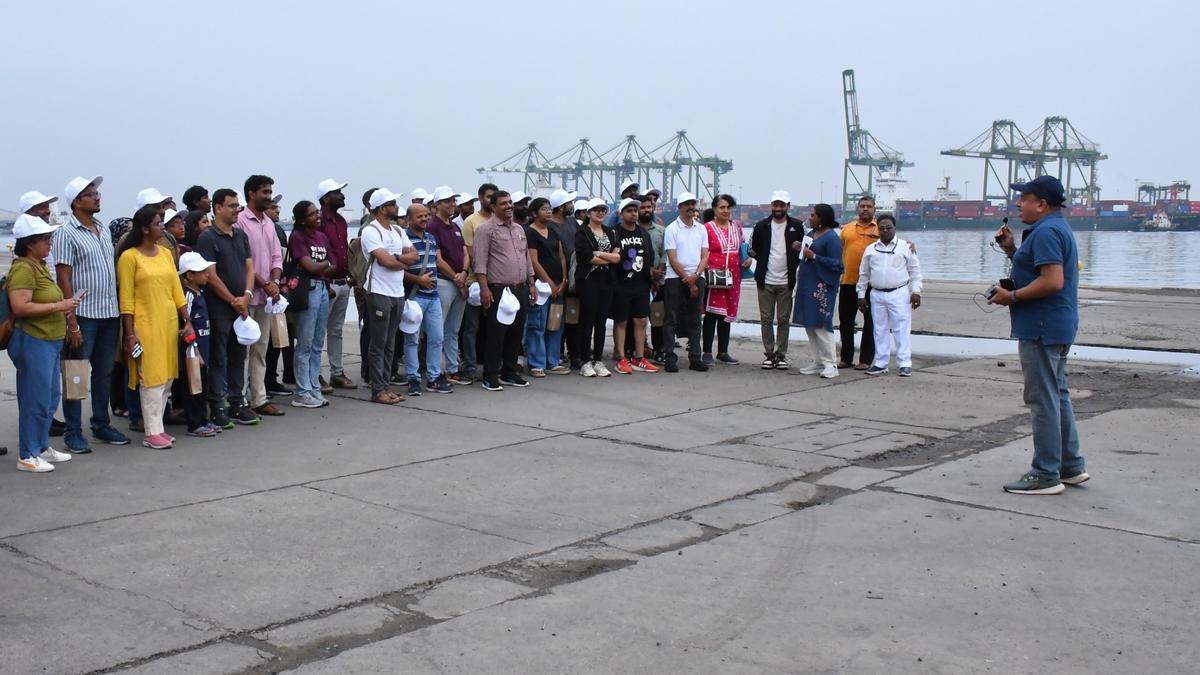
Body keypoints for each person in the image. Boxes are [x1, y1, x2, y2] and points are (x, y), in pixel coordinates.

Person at [989, 175, 1086, 496]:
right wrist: (1012, 250)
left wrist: (1011, 297)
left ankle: (1045, 473)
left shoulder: (1046, 232)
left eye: (1024, 198)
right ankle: (1070, 465)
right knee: (1057, 395)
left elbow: (1052, 281)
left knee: (1041, 399)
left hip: (1042, 326)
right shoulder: (1055, 228)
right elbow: (1039, 271)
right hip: (1057, 323)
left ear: (1042, 204)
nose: (1018, 203)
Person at [53, 175, 131, 452]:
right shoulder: (65, 233)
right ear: (76, 201)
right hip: (83, 315)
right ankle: (73, 432)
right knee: (76, 373)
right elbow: (64, 278)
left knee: (104, 373)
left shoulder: (103, 229)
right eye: (90, 194)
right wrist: (70, 321)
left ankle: (101, 423)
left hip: (108, 312)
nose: (97, 197)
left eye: (97, 193)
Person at [116, 205, 195, 449]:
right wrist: (129, 333)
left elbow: (176, 290)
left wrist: (186, 319)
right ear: (144, 229)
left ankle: (158, 427)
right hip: (144, 325)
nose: (162, 226)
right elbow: (126, 299)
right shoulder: (129, 257)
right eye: (158, 223)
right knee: (151, 377)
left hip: (168, 322)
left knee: (168, 376)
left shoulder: (164, 254)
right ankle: (151, 431)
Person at [7, 211, 80, 472]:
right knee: (34, 399)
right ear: (30, 243)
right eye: (45, 239)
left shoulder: (38, 266)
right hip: (33, 340)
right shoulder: (24, 269)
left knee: (50, 397)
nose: (50, 243)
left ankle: (40, 446)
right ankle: (27, 454)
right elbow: (21, 306)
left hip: (49, 340)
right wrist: (59, 305)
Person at [193, 188, 256, 428]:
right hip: (220, 307)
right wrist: (233, 300)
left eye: (237, 206)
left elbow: (250, 267)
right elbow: (211, 275)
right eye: (231, 206)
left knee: (239, 354)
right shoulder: (207, 238)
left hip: (241, 305)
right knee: (219, 356)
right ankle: (217, 404)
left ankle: (237, 402)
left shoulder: (240, 235)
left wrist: (247, 296)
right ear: (217, 207)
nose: (236, 210)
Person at [474, 191, 537, 391]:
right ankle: (490, 374)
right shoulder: (486, 230)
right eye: (503, 203)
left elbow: (526, 258)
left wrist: (532, 284)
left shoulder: (519, 229)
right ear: (493, 207)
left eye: (510, 202)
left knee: (516, 332)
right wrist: (484, 288)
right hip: (498, 289)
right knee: (496, 333)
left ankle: (509, 372)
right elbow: (480, 262)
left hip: (520, 288)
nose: (509, 206)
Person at [361, 189, 418, 404]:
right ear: (382, 208)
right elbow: (387, 262)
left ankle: (385, 386)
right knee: (378, 343)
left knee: (390, 342)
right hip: (379, 292)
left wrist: (397, 258)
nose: (396, 207)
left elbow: (415, 255)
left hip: (397, 293)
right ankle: (378, 390)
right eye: (392, 203)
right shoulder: (371, 231)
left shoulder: (396, 230)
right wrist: (401, 259)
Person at [236, 175, 285, 418]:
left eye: (269, 192)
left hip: (266, 298)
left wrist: (274, 283)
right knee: (242, 350)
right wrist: (264, 283)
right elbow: (243, 262)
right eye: (264, 192)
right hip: (246, 296)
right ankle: (239, 400)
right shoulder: (240, 221)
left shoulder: (269, 223)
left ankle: (259, 398)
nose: (268, 196)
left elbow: (277, 257)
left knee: (261, 349)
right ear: (251, 193)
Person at [857, 214, 922, 377]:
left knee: (901, 329)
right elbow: (864, 274)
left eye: (889, 227)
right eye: (882, 228)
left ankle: (904, 364)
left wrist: (916, 291)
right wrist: (861, 294)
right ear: (878, 228)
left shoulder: (906, 247)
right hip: (876, 294)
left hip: (899, 293)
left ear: (895, 228)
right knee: (879, 330)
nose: (885, 230)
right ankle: (880, 363)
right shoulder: (871, 249)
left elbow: (915, 271)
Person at [284, 200, 335, 408]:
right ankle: (302, 391)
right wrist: (322, 266)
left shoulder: (322, 236)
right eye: (313, 214)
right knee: (304, 342)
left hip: (322, 289)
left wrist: (319, 267)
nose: (318, 216)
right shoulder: (297, 237)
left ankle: (314, 387)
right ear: (303, 220)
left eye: (317, 213)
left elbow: (334, 264)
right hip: (308, 290)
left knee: (317, 342)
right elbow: (308, 266)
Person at [750, 190, 804, 370]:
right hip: (765, 280)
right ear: (771, 205)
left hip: (786, 281)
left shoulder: (797, 226)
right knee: (766, 318)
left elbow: (802, 249)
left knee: (783, 319)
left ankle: (781, 355)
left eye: (782, 205)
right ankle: (769, 354)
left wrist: (793, 262)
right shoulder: (761, 226)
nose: (778, 208)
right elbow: (754, 249)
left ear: (788, 206)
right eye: (776, 205)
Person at [402, 203, 450, 396]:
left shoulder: (431, 238)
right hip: (414, 296)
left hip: (433, 297)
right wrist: (418, 280)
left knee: (437, 338)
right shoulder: (403, 240)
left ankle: (433, 377)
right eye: (419, 216)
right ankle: (413, 378)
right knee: (412, 339)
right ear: (409, 219)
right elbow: (398, 269)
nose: (424, 219)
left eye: (426, 216)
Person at [426, 186, 471, 385]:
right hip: (444, 283)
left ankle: (452, 368)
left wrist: (464, 274)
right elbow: (437, 259)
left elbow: (465, 253)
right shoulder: (432, 226)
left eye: (453, 200)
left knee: (453, 329)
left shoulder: (455, 226)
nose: (452, 204)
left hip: (458, 281)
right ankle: (435, 371)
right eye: (447, 201)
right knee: (437, 330)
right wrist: (456, 277)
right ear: (436, 205)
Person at [792, 204, 844, 379]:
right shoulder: (810, 234)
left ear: (822, 218)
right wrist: (800, 247)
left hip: (822, 287)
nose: (809, 217)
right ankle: (818, 361)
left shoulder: (832, 239)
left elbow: (837, 264)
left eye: (813, 215)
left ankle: (831, 363)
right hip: (807, 285)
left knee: (822, 325)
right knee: (810, 324)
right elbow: (806, 252)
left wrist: (813, 256)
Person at [316, 178, 357, 390]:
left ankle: (337, 372)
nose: (342, 195)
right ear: (325, 198)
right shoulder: (319, 221)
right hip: (327, 283)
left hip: (343, 281)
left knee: (336, 330)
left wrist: (350, 274)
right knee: (318, 331)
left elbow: (342, 251)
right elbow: (319, 253)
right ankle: (316, 374)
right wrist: (325, 282)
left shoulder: (340, 221)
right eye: (337, 192)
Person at [610, 197, 658, 375]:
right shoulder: (614, 232)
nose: (633, 213)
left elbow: (650, 256)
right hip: (621, 284)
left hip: (641, 284)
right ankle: (621, 357)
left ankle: (639, 358)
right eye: (629, 211)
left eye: (635, 211)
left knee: (641, 320)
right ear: (621, 213)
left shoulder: (643, 232)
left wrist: (650, 278)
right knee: (621, 321)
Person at [662, 192, 709, 373]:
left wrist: (696, 275)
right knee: (671, 319)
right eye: (686, 204)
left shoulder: (701, 228)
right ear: (679, 207)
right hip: (675, 278)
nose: (690, 207)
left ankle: (695, 358)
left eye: (692, 203)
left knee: (695, 319)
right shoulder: (672, 229)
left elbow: (705, 255)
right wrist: (689, 281)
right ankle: (670, 358)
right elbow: (672, 258)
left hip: (697, 277)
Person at [701, 194, 750, 365]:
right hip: (714, 276)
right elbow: (702, 251)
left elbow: (743, 248)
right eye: (722, 207)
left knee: (726, 314)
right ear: (714, 209)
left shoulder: (736, 227)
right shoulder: (706, 228)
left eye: (728, 207)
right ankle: (706, 352)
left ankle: (723, 351)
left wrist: (748, 259)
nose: (726, 210)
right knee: (711, 314)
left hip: (733, 277)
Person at [574, 198, 618, 378]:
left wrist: (600, 253)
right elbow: (586, 258)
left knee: (601, 322)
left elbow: (618, 258)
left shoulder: (611, 232)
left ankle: (598, 360)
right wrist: (608, 257)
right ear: (588, 213)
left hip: (607, 280)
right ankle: (585, 361)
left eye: (603, 210)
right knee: (587, 321)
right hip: (588, 281)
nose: (600, 212)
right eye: (596, 210)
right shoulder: (582, 232)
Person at [524, 197, 568, 376]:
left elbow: (562, 256)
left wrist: (564, 279)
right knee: (537, 325)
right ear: (534, 213)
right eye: (544, 209)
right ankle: (536, 363)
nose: (549, 211)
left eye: (550, 208)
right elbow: (533, 260)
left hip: (558, 285)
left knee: (555, 324)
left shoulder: (553, 231)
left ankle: (553, 361)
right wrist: (549, 282)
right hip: (541, 286)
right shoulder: (530, 232)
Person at [178, 252, 220, 437]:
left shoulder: (200, 292)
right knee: (193, 387)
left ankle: (204, 419)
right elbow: (185, 324)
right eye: (201, 271)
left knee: (203, 384)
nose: (207, 274)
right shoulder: (188, 296)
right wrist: (193, 348)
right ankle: (194, 423)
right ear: (189, 275)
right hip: (193, 351)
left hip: (205, 346)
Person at [460, 183, 498, 381]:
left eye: (494, 197)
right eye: (488, 196)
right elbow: (471, 252)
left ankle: (492, 365)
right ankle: (470, 365)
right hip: (476, 281)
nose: (491, 200)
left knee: (494, 327)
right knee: (471, 327)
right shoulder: (471, 221)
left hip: (498, 281)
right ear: (481, 197)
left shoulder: (498, 220)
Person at [839, 196, 878, 370]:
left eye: (869, 206)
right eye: (862, 206)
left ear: (874, 209)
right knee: (846, 321)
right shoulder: (846, 229)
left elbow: (895, 245)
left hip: (872, 284)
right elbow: (837, 252)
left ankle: (865, 360)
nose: (865, 209)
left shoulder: (881, 229)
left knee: (870, 322)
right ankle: (846, 358)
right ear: (857, 208)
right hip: (848, 281)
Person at [546, 189, 579, 369]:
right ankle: (555, 353)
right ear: (561, 207)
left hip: (573, 280)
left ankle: (574, 354)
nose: (572, 206)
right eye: (569, 203)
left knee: (573, 318)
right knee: (554, 319)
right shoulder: (550, 226)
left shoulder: (573, 223)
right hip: (556, 280)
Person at [638, 194, 667, 362]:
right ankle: (635, 349)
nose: (646, 210)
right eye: (642, 207)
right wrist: (649, 271)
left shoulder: (661, 231)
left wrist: (659, 270)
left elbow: (665, 253)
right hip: (639, 281)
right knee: (638, 319)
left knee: (658, 318)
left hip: (659, 282)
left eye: (649, 207)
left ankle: (659, 350)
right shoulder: (632, 231)